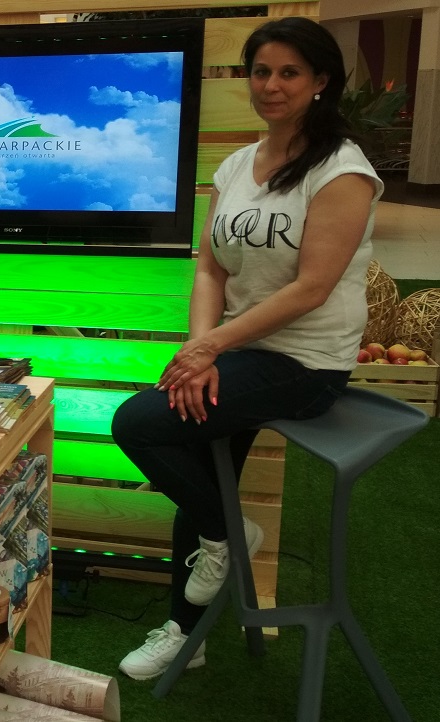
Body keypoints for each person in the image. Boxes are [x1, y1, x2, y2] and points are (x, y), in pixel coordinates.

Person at [110, 17, 383, 681]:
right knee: (201, 455)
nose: (271, 85)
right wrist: (200, 348)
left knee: (138, 423)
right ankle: (188, 631)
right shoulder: (236, 165)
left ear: (320, 82)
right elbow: (211, 266)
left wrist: (213, 347)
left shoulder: (343, 171)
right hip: (236, 348)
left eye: (290, 72)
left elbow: (313, 288)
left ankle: (228, 534)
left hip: (305, 360)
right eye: (261, 71)